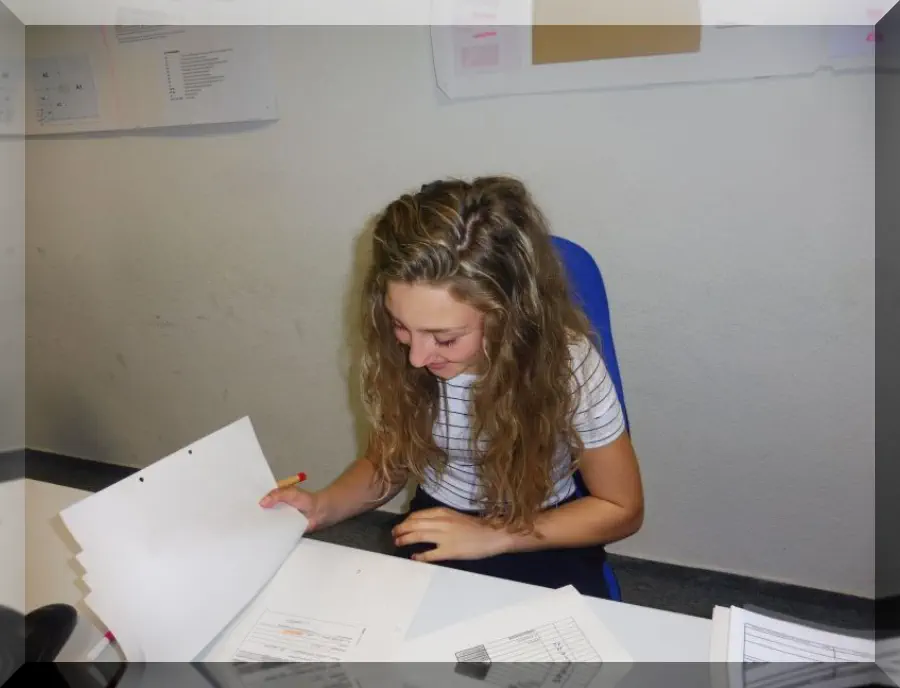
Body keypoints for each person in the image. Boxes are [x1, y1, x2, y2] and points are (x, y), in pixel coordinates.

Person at [260, 176, 644, 598]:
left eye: (444, 339)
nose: (417, 358)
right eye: (401, 326)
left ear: (509, 316)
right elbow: (388, 463)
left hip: (543, 525)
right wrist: (322, 506)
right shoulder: (401, 351)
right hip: (441, 517)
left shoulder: (567, 364)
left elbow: (621, 509)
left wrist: (494, 535)